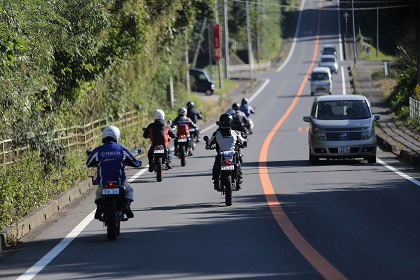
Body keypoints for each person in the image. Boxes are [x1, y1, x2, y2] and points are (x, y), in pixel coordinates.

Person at [86, 126, 141, 219]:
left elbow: (88, 163)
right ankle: (127, 206)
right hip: (119, 183)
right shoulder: (121, 149)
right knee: (129, 190)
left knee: (98, 192)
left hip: (104, 183)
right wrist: (139, 163)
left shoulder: (98, 150)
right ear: (117, 136)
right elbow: (134, 162)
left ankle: (99, 207)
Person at [206, 113, 247, 191]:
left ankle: (216, 182)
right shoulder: (236, 133)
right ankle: (238, 181)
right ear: (231, 122)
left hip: (222, 155)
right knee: (237, 164)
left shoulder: (216, 133)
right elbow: (243, 141)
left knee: (216, 167)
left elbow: (209, 143)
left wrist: (208, 146)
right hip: (232, 155)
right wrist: (244, 143)